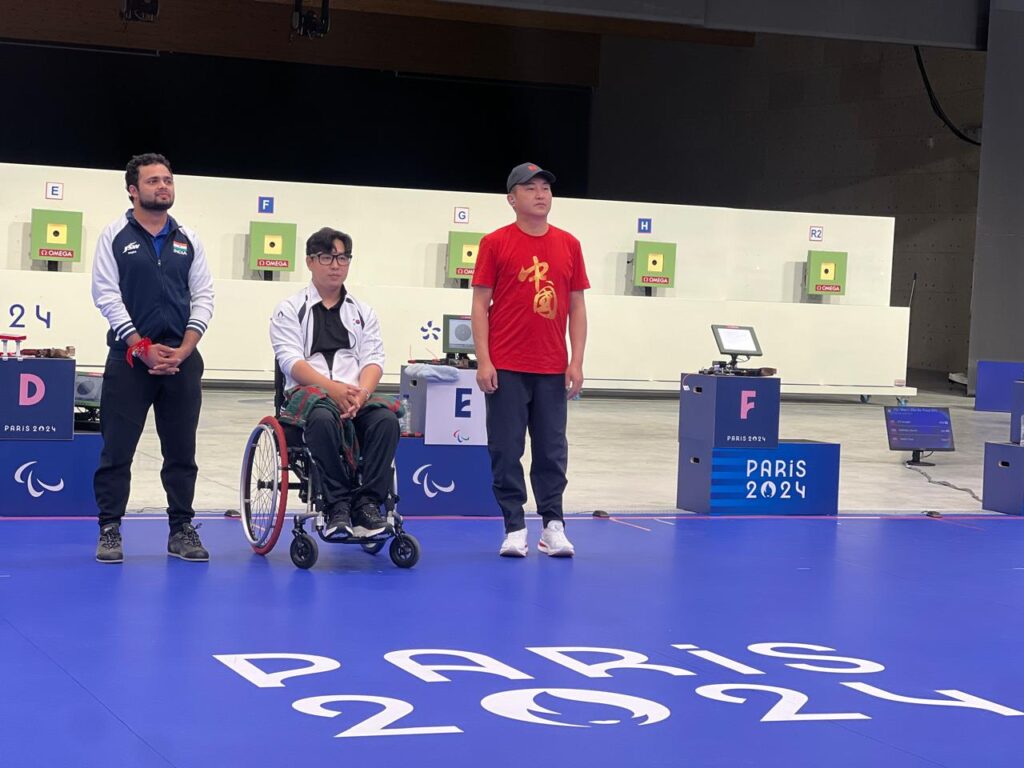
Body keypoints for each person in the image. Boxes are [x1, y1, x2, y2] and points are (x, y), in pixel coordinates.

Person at [92, 152, 215, 563]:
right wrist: (139, 346)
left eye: (167, 180)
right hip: (129, 361)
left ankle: (181, 529)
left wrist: (186, 347)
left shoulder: (188, 239)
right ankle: (110, 529)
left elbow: (204, 297)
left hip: (181, 360)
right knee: (117, 450)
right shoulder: (114, 235)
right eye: (153, 181)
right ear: (133, 190)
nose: (163, 187)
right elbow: (106, 295)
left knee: (181, 451)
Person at [471, 162, 590, 558]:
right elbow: (479, 305)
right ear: (512, 198)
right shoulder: (495, 243)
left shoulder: (569, 244)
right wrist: (484, 360)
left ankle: (553, 524)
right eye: (530, 188)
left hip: (552, 367)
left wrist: (576, 361)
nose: (541, 194)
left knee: (552, 449)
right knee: (506, 449)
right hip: (506, 365)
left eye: (545, 188)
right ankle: (514, 526)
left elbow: (577, 306)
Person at [270, 227, 398, 538]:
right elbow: (291, 363)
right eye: (327, 257)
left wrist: (361, 394)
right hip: (309, 395)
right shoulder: (290, 309)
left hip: (355, 395)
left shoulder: (363, 312)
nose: (335, 265)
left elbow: (373, 359)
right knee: (324, 418)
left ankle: (368, 504)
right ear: (310, 262)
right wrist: (333, 390)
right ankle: (337, 504)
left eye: (342, 258)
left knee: (386, 420)